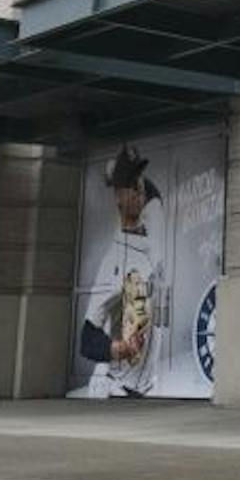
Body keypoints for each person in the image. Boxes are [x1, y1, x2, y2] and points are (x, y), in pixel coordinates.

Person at [78, 146, 166, 398]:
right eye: (130, 183)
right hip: (121, 390)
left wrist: (117, 172)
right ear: (117, 196)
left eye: (138, 178)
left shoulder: (153, 218)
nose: (139, 187)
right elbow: (88, 339)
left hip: (149, 388)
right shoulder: (112, 265)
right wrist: (120, 349)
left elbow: (151, 192)